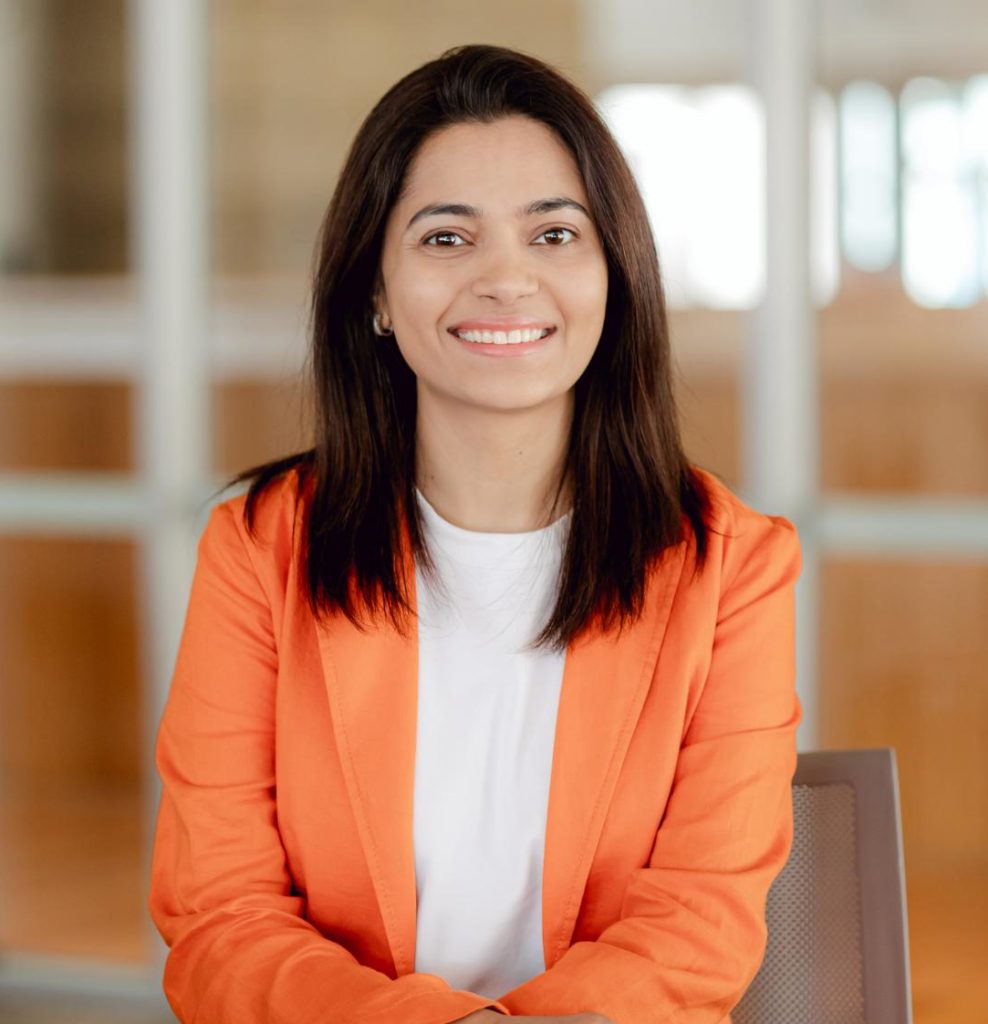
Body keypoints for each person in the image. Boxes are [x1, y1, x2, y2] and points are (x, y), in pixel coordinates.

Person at [148, 43, 802, 1024]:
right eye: (446, 239)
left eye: (553, 235)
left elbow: (697, 923)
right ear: (374, 288)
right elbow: (219, 916)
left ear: (613, 274)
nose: (505, 280)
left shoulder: (732, 566)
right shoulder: (259, 548)